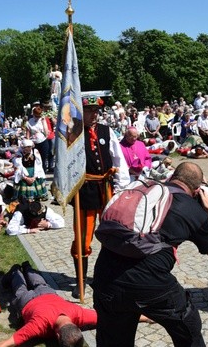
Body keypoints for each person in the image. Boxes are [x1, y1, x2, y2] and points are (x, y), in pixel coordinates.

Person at [92, 161, 208, 346]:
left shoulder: (149, 193)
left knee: (113, 340)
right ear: (197, 191)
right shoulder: (191, 207)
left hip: (105, 277)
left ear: (171, 178)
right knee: (188, 325)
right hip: (150, 284)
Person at [70, 95, 129, 299]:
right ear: (81, 113)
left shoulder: (106, 131)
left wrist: (121, 188)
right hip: (84, 190)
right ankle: (81, 280)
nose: (94, 115)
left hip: (106, 188)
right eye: (89, 111)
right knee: (83, 238)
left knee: (111, 232)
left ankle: (105, 276)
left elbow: (118, 159)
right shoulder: (73, 133)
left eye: (96, 111)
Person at [0, 261, 96, 347]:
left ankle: (27, 268)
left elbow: (103, 317)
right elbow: (6, 343)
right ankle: (16, 272)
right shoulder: (39, 325)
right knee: (20, 289)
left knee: (39, 282)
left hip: (47, 293)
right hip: (27, 301)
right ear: (58, 336)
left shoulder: (78, 313)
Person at [12, 139, 48, 203]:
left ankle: (37, 196)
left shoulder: (35, 152)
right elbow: (18, 168)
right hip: (23, 173)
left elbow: (38, 165)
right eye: (26, 148)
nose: (28, 149)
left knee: (36, 182)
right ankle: (24, 198)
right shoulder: (18, 154)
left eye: (29, 147)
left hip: (34, 172)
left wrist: (34, 177)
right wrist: (26, 178)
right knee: (23, 184)